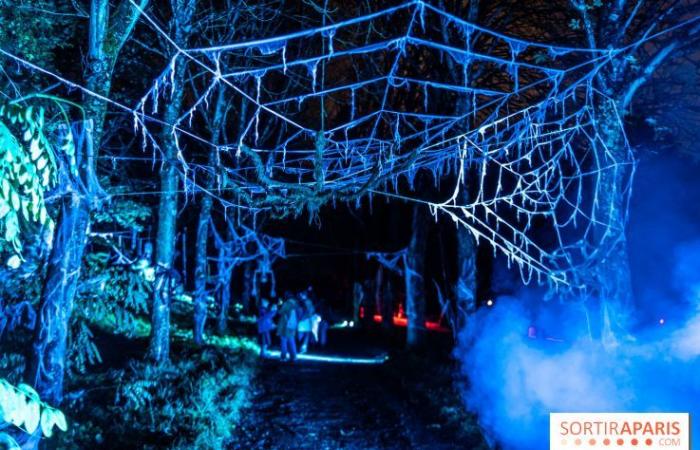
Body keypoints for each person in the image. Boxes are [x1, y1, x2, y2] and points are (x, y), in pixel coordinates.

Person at [277, 297, 298, 362]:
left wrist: (279, 304)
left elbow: (280, 312)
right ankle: (294, 357)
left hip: (285, 326)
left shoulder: (286, 304)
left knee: (284, 340)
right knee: (291, 340)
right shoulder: (295, 304)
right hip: (293, 325)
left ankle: (283, 357)